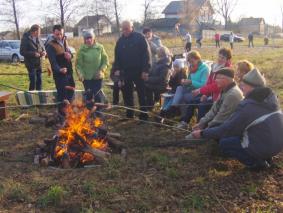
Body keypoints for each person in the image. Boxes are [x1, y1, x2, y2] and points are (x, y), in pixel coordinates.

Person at [192, 69, 283, 170]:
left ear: (252, 87)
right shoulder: (271, 99)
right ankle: (265, 157)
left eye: (244, 84)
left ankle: (256, 163)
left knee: (225, 143)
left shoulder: (249, 106)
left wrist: (202, 133)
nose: (241, 86)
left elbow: (227, 129)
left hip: (264, 147)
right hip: (277, 146)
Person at [178, 48, 232, 128]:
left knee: (202, 105)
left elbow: (216, 86)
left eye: (223, 58)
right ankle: (185, 122)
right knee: (193, 101)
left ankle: (199, 127)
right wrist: (205, 95)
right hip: (211, 95)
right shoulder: (215, 66)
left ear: (227, 59)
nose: (220, 59)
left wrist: (200, 90)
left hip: (219, 98)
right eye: (219, 56)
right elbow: (209, 82)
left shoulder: (227, 71)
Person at [186, 68, 243, 139]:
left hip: (228, 129)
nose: (215, 80)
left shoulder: (232, 95)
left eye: (218, 78)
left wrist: (204, 131)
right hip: (220, 125)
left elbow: (221, 118)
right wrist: (201, 123)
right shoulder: (224, 90)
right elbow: (214, 109)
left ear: (225, 80)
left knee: (191, 139)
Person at [113, 20, 151, 120]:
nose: (125, 31)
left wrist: (145, 70)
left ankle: (144, 115)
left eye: (127, 28)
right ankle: (130, 114)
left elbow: (146, 55)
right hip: (125, 72)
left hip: (139, 71)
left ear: (132, 27)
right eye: (123, 29)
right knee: (127, 94)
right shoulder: (120, 41)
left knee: (142, 94)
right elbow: (117, 58)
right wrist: (117, 69)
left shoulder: (140, 38)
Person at [165, 51, 209, 117]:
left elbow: (204, 85)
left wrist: (191, 82)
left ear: (198, 59)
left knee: (182, 97)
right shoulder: (191, 67)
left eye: (192, 61)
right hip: (190, 89)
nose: (191, 64)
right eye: (189, 62)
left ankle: (181, 116)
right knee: (179, 88)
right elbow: (189, 81)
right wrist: (184, 82)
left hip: (199, 92)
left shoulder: (204, 69)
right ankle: (174, 108)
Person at [46, 24, 75, 115]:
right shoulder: (50, 46)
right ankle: (61, 115)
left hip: (69, 72)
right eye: (57, 34)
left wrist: (70, 56)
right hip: (60, 75)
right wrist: (59, 70)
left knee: (71, 91)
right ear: (53, 33)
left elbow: (70, 54)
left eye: (61, 34)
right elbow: (53, 62)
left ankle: (69, 113)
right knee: (62, 95)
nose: (59, 36)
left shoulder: (65, 41)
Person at [76, 30, 109, 109]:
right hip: (86, 78)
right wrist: (80, 74)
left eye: (90, 38)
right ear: (84, 40)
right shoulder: (81, 50)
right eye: (87, 38)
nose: (89, 40)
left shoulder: (100, 47)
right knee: (89, 97)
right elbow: (78, 65)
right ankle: (90, 115)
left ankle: (99, 115)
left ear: (94, 38)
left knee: (98, 96)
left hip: (98, 77)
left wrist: (101, 70)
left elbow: (105, 61)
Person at [20, 24, 46, 91]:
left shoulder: (38, 38)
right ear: (34, 32)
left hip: (39, 63)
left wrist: (44, 52)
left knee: (39, 81)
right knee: (33, 82)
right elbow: (22, 52)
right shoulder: (25, 39)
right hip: (31, 64)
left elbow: (43, 47)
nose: (40, 33)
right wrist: (33, 54)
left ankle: (39, 97)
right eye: (39, 32)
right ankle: (31, 97)